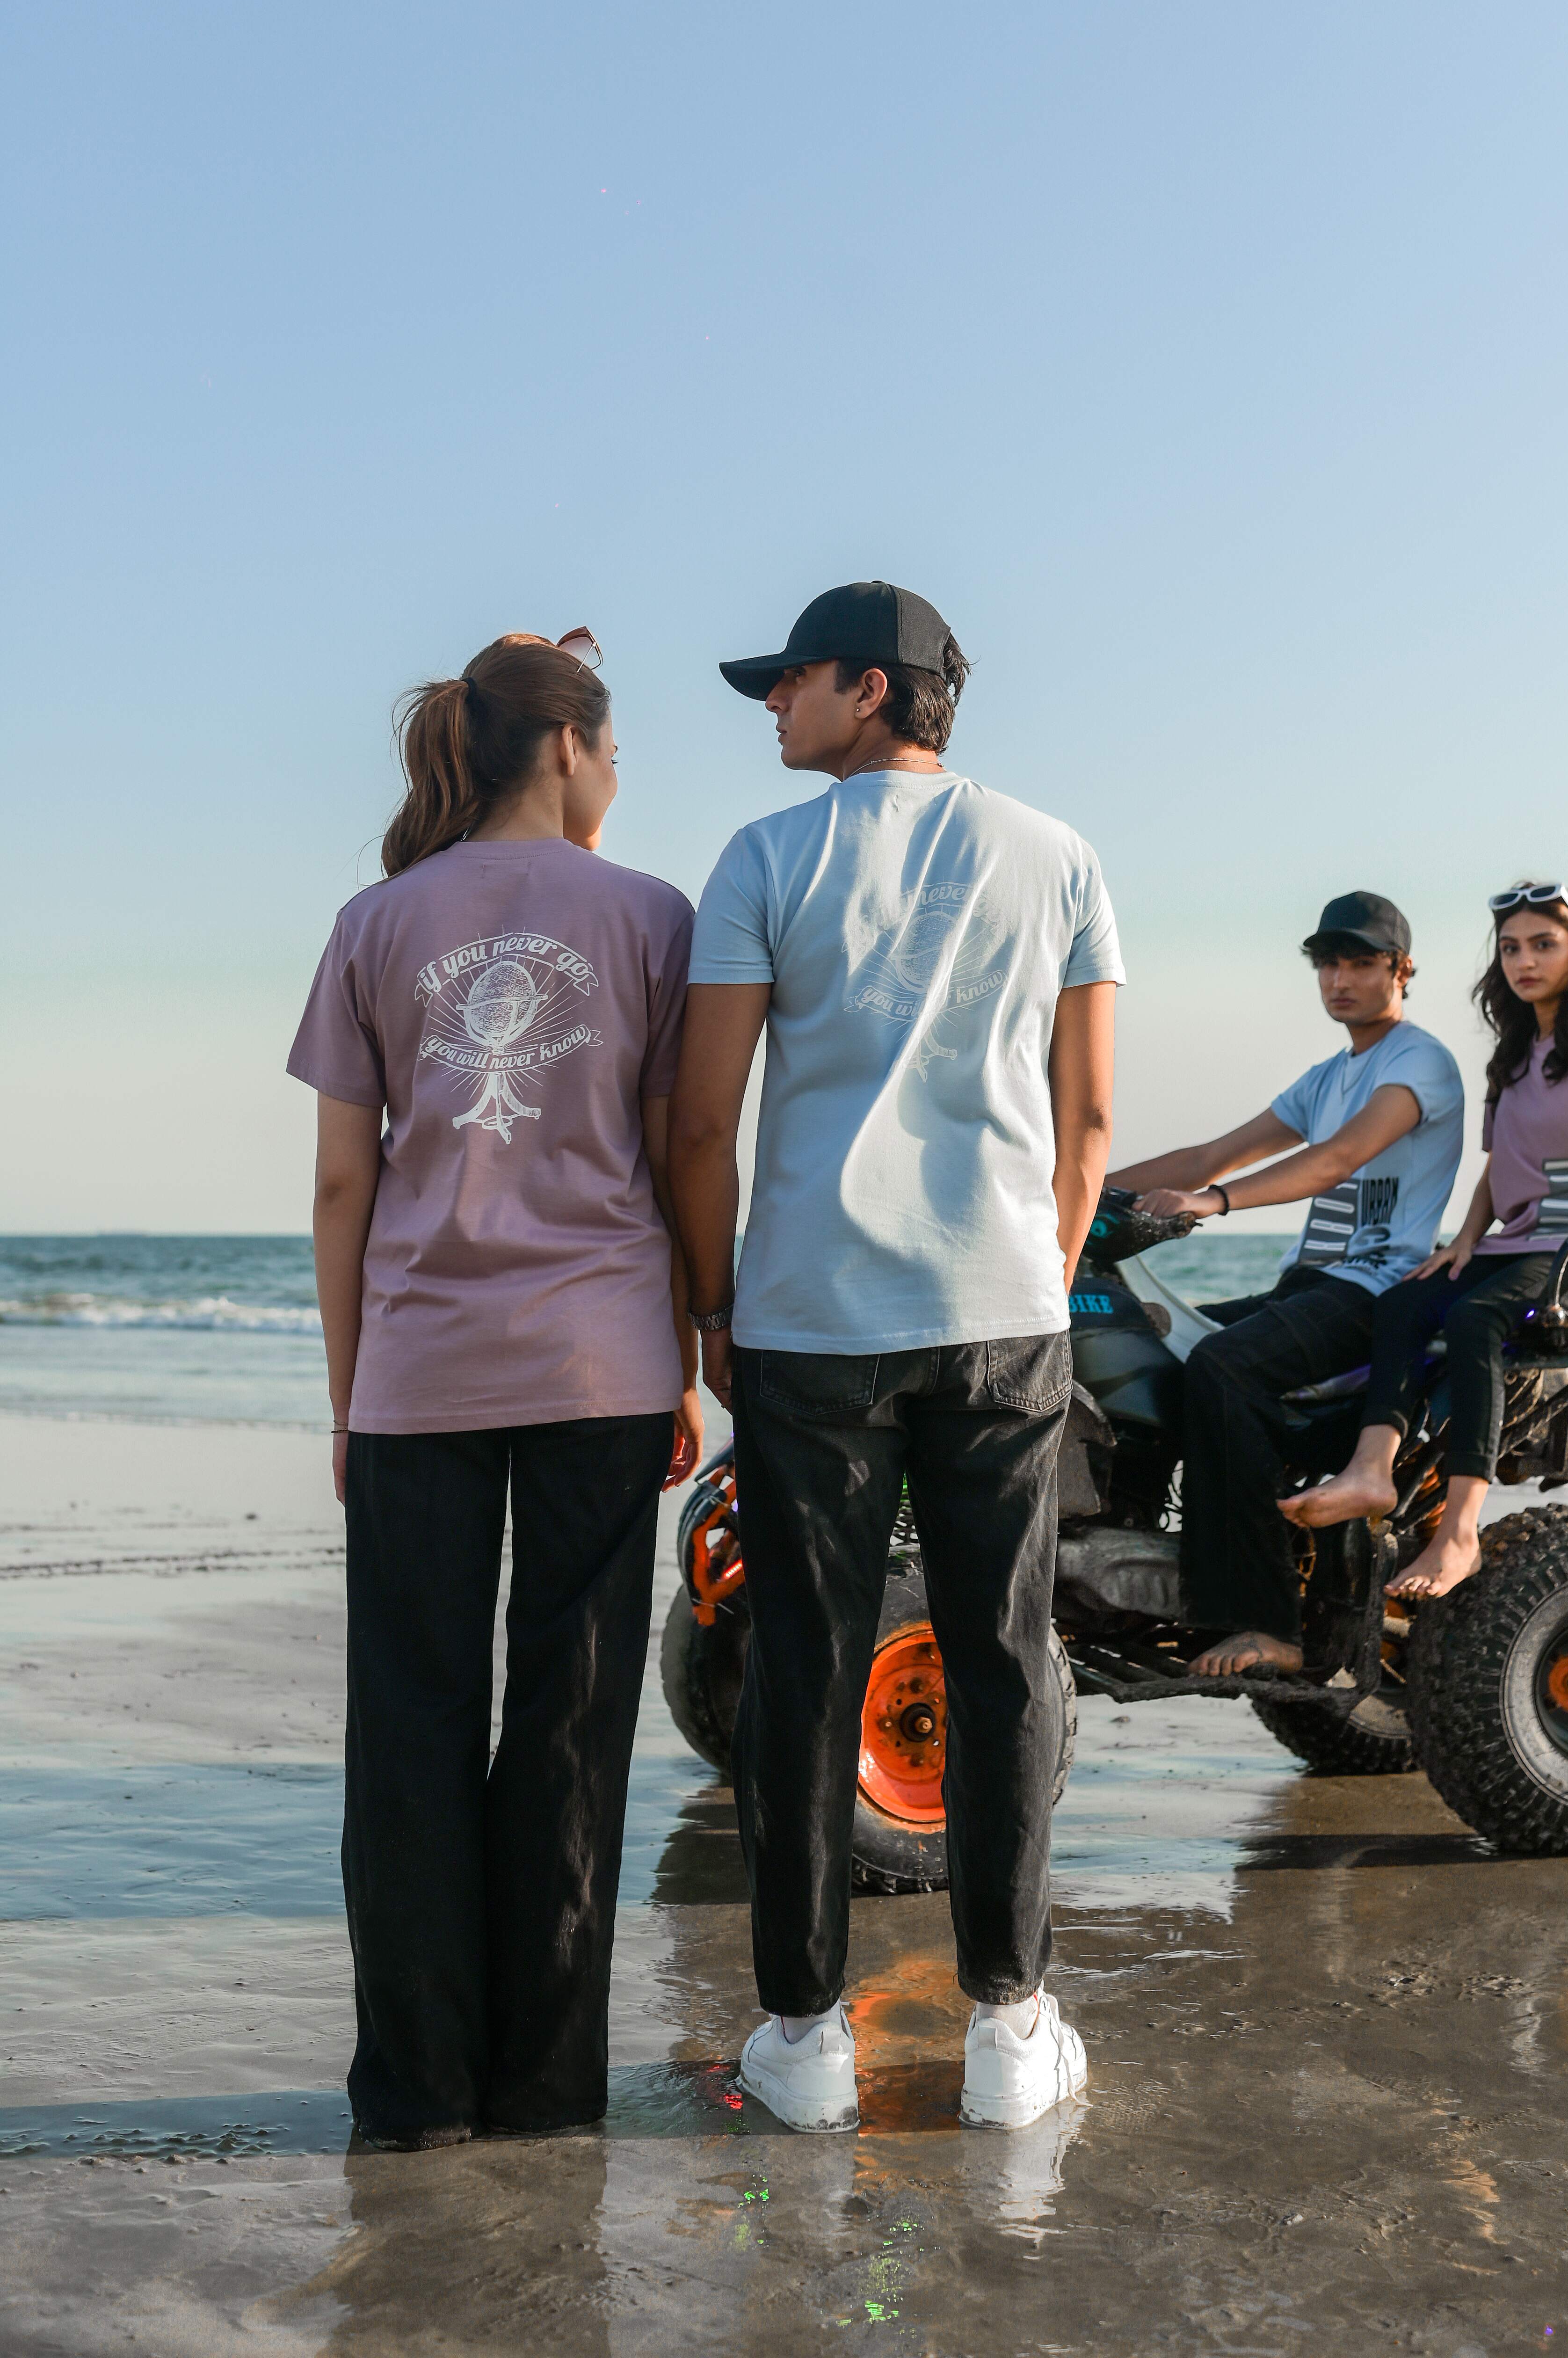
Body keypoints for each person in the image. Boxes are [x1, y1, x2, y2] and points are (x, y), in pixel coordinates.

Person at [667, 581, 1120, 2134]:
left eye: (785, 682)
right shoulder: (1060, 853)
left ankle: (799, 2037)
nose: (768, 708)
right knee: (1001, 1656)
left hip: (809, 1319)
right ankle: (1009, 2026)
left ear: (870, 686)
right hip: (1001, 1310)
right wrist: (1042, 1277)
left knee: (803, 1664)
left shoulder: (761, 857)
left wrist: (714, 1303)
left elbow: (696, 1113)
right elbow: (1091, 1123)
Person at [288, 629, 701, 2148]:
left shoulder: (374, 918)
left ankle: (415, 2092)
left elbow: (342, 1185)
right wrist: (686, 1349)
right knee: (569, 1723)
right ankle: (542, 2091)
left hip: (414, 1372)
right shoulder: (651, 913)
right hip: (601, 1359)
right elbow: (673, 1156)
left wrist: (349, 1396)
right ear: (575, 750)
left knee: (408, 1724)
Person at [1284, 881, 1568, 1597]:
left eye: (1543, 945)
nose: (1524, 962)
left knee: (1479, 1318)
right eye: (1511, 948)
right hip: (1523, 1242)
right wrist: (1465, 1240)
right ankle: (1371, 1470)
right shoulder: (1512, 1057)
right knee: (1406, 1301)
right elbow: (1498, 1169)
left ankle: (1460, 1532)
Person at [1109, 892, 1464, 1680]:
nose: (1340, 979)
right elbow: (1210, 1155)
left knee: (1224, 1366)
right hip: (1309, 1283)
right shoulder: (1328, 1075)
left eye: (1361, 962)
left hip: (1374, 1290)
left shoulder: (1419, 1062)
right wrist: (1078, 1192)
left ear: (1401, 971)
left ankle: (1267, 1623)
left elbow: (1334, 1160)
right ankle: (1136, 1565)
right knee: (1137, 1346)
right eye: (1328, 963)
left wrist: (1216, 1204)